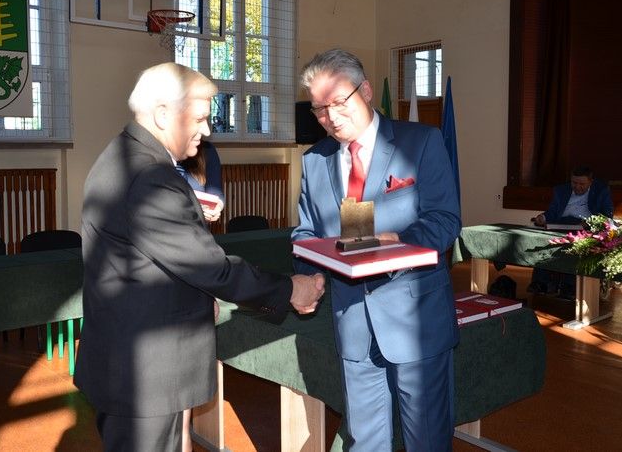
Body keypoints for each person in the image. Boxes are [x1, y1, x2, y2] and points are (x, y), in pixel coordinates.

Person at [74, 62, 324, 452]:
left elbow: (154, 263)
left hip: (127, 361)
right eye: (200, 119)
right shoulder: (151, 177)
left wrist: (200, 297)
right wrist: (290, 288)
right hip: (147, 373)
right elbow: (210, 267)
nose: (207, 131)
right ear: (163, 114)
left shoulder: (122, 154)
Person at [291, 49, 461, 451]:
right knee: (364, 442)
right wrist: (309, 274)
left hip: (415, 320)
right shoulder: (315, 160)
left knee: (426, 442)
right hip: (351, 320)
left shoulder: (420, 142)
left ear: (365, 91)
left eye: (339, 102)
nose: (331, 117)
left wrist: (399, 241)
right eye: (319, 109)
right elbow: (305, 232)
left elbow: (444, 220)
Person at [177, 140, 223, 452]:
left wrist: (214, 207)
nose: (204, 129)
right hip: (168, 273)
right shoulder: (156, 157)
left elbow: (216, 195)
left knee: (184, 388)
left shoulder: (208, 152)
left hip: (197, 262)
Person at [528, 166, 614, 298]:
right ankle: (540, 282)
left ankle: (570, 285)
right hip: (561, 224)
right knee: (544, 243)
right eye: (574, 183)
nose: (577, 187)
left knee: (575, 245)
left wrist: (590, 222)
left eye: (582, 184)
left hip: (585, 227)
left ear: (590, 182)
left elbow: (607, 215)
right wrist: (542, 218)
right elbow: (552, 212)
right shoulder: (561, 190)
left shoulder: (601, 190)